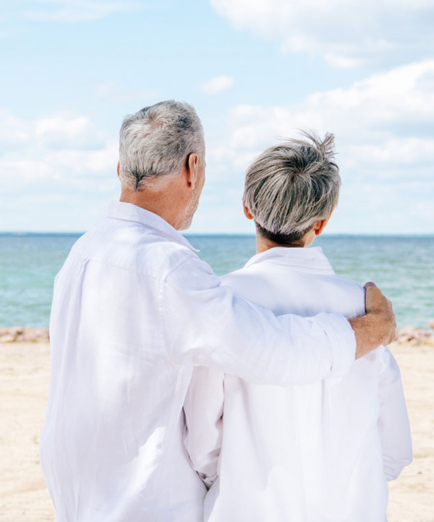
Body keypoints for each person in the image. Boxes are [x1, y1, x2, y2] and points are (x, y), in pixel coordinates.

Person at [40, 101, 397, 522]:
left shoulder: (83, 253)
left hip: (81, 495)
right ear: (193, 167)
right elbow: (276, 353)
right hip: (143, 501)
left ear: (121, 168)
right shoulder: (168, 270)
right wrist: (376, 327)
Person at [184, 131, 412, 522]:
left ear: (246, 208)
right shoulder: (366, 309)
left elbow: (203, 438)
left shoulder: (224, 301)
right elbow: (394, 448)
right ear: (321, 222)